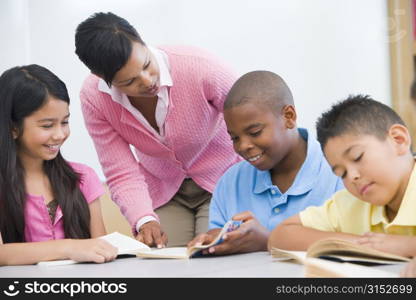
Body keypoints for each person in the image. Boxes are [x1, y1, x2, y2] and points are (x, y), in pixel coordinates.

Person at [74, 12, 239, 247]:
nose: (147, 80)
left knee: (211, 253)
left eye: (147, 65)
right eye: (129, 82)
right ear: (100, 77)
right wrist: (143, 220)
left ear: (142, 41)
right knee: (162, 261)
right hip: (164, 190)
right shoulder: (94, 98)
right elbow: (121, 170)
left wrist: (251, 189)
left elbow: (253, 123)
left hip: (224, 180)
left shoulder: (202, 68)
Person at [187, 71, 343, 255]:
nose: (243, 146)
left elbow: (357, 245)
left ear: (289, 116)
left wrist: (268, 241)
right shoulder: (230, 182)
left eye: (255, 132)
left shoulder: (341, 173)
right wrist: (215, 239)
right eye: (234, 138)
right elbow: (219, 230)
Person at [268, 95, 416, 259]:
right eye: (341, 173)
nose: (352, 176)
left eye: (357, 157)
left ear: (398, 140)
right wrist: (368, 245)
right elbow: (280, 237)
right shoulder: (350, 204)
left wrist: (408, 245)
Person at [0, 65, 117, 266]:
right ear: (13, 128)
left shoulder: (83, 177)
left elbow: (100, 247)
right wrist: (69, 247)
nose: (59, 134)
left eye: (64, 122)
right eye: (47, 125)